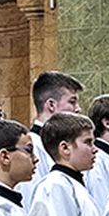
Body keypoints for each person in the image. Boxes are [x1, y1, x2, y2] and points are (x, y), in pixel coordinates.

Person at [19, 71, 83, 200]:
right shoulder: (33, 146)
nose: (78, 109)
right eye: (72, 102)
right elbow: (32, 198)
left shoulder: (64, 144)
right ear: (51, 105)